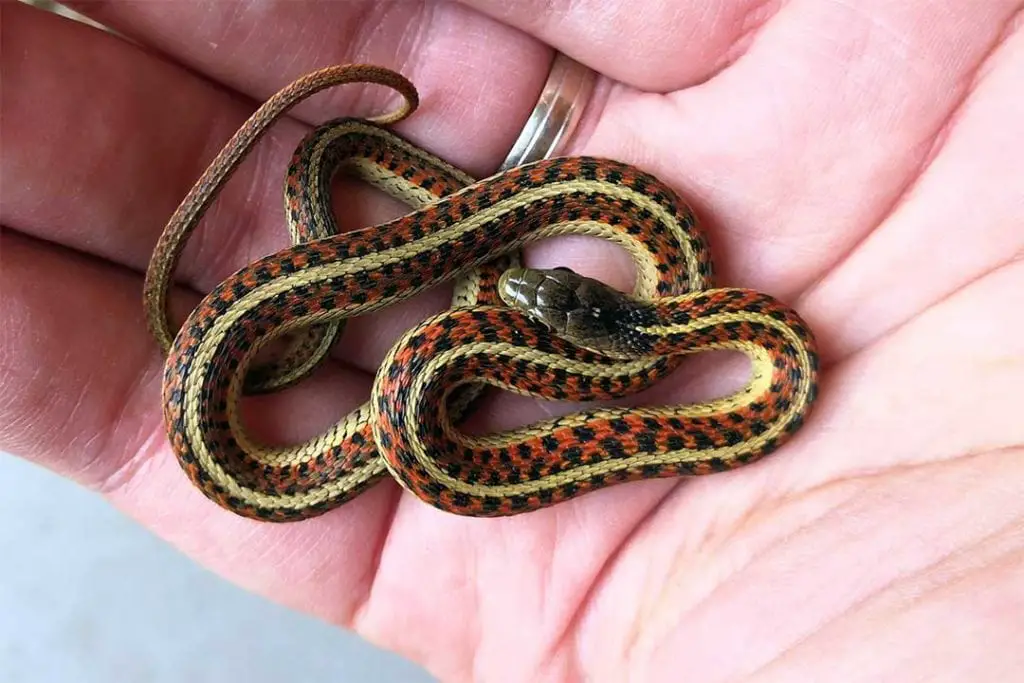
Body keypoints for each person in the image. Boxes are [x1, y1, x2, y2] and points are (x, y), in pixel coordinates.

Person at [3, 1, 1022, 681]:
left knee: (427, 366)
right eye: (543, 296)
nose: (534, 293)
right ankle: (351, 173)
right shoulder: (693, 319)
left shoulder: (735, 345)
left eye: (539, 300)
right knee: (409, 339)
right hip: (433, 318)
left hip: (481, 361)